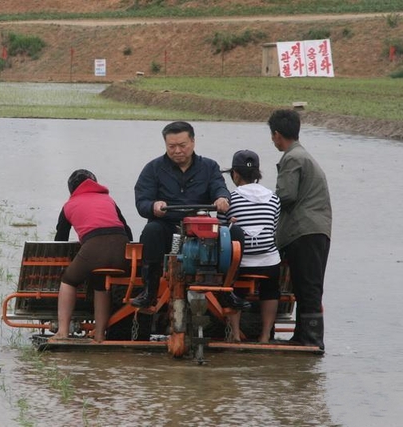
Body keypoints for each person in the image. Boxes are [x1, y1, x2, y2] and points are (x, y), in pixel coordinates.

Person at [132, 121, 248, 310]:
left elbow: (220, 188)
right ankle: (149, 290)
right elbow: (142, 201)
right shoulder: (153, 168)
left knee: (236, 235)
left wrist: (221, 198)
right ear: (165, 145)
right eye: (172, 146)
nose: (177, 150)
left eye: (182, 145)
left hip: (201, 226)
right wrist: (154, 206)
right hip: (167, 224)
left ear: (193, 142)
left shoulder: (209, 167)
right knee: (151, 231)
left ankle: (228, 290)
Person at [269, 109, 332, 351]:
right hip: (314, 229)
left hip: (304, 231)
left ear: (276, 135)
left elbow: (285, 195)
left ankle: (312, 340)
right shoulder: (302, 155)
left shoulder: (292, 158)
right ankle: (303, 336)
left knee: (308, 286)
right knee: (307, 284)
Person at [52, 169, 133, 342]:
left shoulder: (69, 205)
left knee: (69, 280)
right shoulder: (108, 199)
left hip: (94, 246)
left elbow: (60, 240)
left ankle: (63, 332)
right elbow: (127, 230)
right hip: (122, 247)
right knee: (100, 284)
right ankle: (99, 335)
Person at [218, 149, 281, 343]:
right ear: (257, 174)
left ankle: (235, 334)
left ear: (235, 175)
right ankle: (265, 336)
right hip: (269, 264)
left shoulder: (230, 199)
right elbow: (274, 228)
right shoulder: (274, 198)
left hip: (241, 263)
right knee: (271, 289)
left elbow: (222, 231)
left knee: (233, 285)